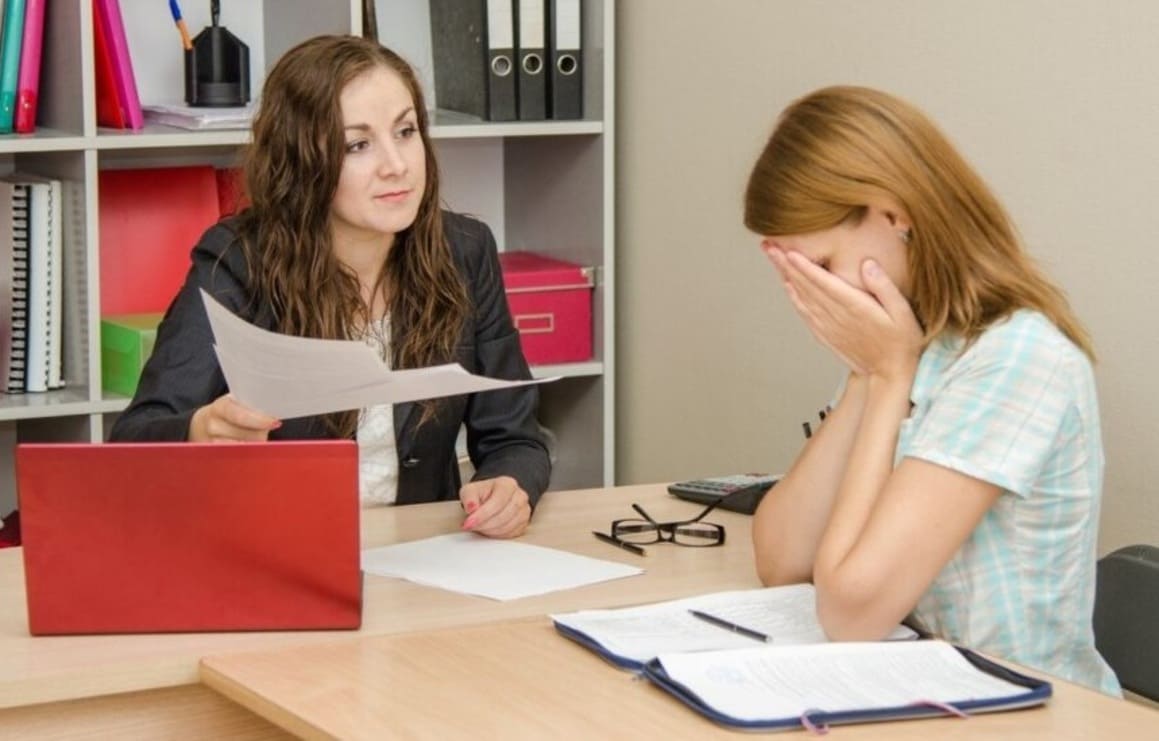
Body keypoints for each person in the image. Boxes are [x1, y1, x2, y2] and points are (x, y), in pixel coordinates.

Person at [744, 85, 1119, 694]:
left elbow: (851, 614)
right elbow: (784, 560)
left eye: (823, 265)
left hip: (1023, 709)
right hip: (913, 691)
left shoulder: (1017, 358)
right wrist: (869, 375)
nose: (815, 295)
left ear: (893, 215)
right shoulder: (913, 341)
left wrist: (889, 377)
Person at [109, 35, 550, 539]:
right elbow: (134, 439)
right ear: (304, 161)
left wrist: (509, 485)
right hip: (279, 550)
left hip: (424, 554)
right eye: (357, 144)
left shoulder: (465, 252)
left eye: (405, 132)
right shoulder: (237, 261)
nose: (397, 165)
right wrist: (198, 431)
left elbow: (517, 439)